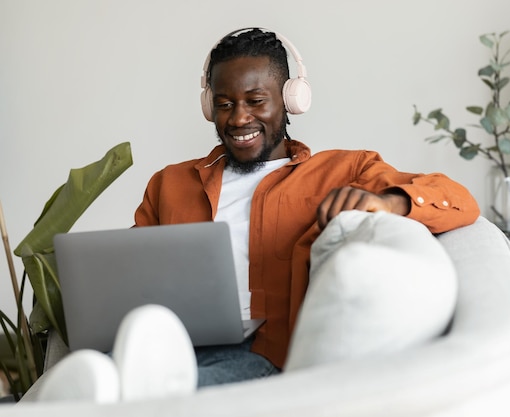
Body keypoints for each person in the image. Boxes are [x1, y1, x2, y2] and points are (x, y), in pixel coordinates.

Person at [133, 27, 481, 387]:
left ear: (290, 100)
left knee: (160, 392)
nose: (238, 118)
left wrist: (387, 202)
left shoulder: (343, 171)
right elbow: (127, 271)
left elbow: (459, 199)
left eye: (255, 101)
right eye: (224, 104)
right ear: (209, 108)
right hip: (170, 340)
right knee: (114, 378)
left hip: (260, 355)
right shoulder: (169, 183)